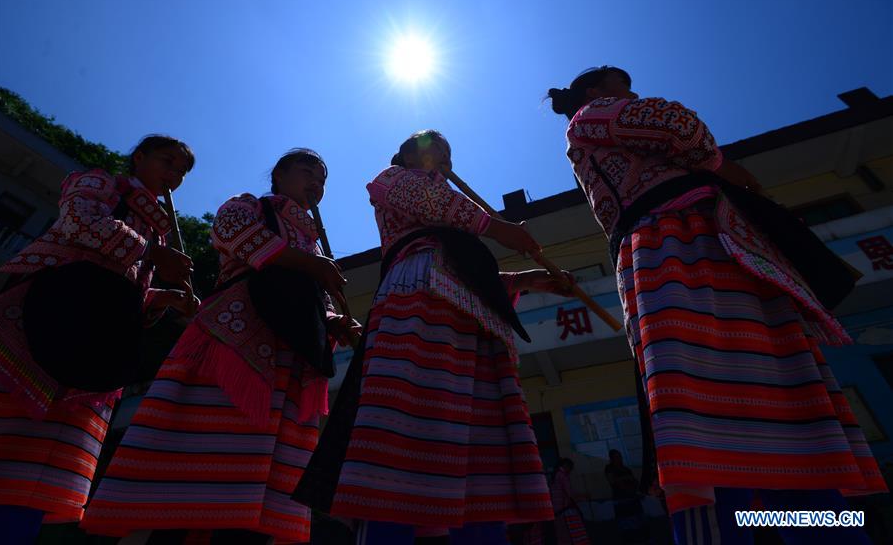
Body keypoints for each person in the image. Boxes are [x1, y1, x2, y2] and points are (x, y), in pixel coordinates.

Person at [548, 66, 887, 544]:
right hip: (678, 246)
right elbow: (676, 125)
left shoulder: (599, 123)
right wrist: (718, 165)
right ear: (595, 91)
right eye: (622, 85)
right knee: (710, 401)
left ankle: (807, 522)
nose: (632, 92)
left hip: (708, 243)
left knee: (768, 403)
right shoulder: (590, 117)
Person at [295, 130, 574, 545]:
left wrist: (533, 279)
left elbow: (466, 271)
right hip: (419, 296)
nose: (440, 158)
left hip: (470, 314)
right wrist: (496, 227)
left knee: (478, 435)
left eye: (446, 154)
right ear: (405, 155)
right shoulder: (393, 181)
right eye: (430, 150)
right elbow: (430, 208)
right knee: (406, 424)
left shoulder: (456, 218)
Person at [81, 149, 358, 544]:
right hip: (235, 337)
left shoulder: (314, 246)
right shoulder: (251, 206)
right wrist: (307, 263)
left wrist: (336, 322)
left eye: (323, 180)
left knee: (260, 477)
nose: (317, 183)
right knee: (202, 458)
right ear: (278, 175)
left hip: (291, 356)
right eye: (307, 172)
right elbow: (230, 231)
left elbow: (318, 302)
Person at [0, 134, 196, 544]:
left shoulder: (156, 231)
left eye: (181, 171)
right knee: (5, 431)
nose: (173, 174)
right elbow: (78, 220)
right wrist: (154, 255)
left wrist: (167, 299)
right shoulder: (104, 183)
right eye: (167, 161)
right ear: (138, 157)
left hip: (95, 340)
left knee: (44, 461)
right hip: (43, 316)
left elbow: (127, 291)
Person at [551, 458, 591, 545]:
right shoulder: (563, 476)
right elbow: (570, 494)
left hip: (557, 511)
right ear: (566, 466)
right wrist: (583, 497)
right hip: (565, 511)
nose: (571, 471)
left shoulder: (555, 476)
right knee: (574, 536)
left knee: (562, 537)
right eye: (571, 468)